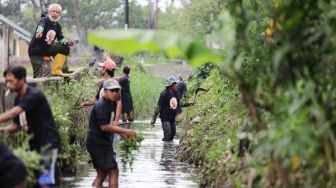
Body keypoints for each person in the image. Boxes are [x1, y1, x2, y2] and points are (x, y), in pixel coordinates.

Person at [0, 66, 61, 187]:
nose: (7, 84)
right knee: (38, 182)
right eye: (6, 81)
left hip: (48, 143)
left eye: (10, 81)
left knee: (45, 183)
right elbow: (17, 126)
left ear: (22, 79)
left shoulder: (34, 95)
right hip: (35, 146)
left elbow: (14, 112)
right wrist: (2, 129)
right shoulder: (18, 98)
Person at [86, 78, 137, 188]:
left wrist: (121, 133)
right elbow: (104, 127)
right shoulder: (101, 105)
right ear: (104, 91)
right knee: (113, 171)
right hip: (97, 143)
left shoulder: (110, 104)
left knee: (102, 174)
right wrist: (125, 131)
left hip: (101, 142)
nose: (114, 93)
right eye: (111, 91)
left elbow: (110, 124)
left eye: (116, 91)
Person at [28, 3, 74, 78]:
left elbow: (61, 38)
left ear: (59, 14)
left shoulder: (57, 26)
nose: (55, 13)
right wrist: (39, 33)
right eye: (53, 11)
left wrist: (67, 42)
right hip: (36, 50)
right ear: (49, 12)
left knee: (65, 48)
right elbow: (41, 26)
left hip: (47, 49)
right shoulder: (44, 20)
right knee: (38, 75)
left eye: (57, 12)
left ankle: (57, 70)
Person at [79, 58, 121, 127]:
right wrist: (84, 104)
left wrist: (116, 121)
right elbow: (96, 100)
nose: (101, 69)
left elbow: (118, 103)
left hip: (107, 119)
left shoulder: (110, 84)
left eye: (102, 67)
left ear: (105, 69)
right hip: (106, 118)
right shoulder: (109, 83)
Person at [151, 76, 180, 141]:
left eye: (175, 84)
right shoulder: (164, 94)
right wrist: (154, 118)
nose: (176, 85)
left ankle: (169, 150)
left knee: (172, 135)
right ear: (170, 86)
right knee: (167, 134)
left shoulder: (176, 93)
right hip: (165, 117)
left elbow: (178, 103)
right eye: (174, 84)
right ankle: (165, 149)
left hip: (172, 117)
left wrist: (188, 104)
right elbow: (159, 106)